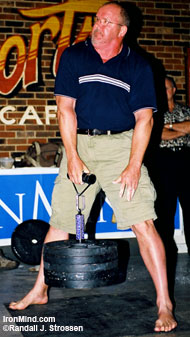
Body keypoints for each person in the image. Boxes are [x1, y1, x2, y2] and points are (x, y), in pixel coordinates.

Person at [9, 2, 177, 333]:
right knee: (60, 223)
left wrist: (133, 164)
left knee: (143, 224)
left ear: (121, 30)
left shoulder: (138, 66)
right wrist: (72, 155)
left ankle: (164, 304)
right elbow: (65, 109)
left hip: (121, 147)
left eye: (106, 21)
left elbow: (145, 119)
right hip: (81, 145)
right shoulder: (74, 56)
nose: (97, 25)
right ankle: (40, 289)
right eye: (97, 19)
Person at [154, 76, 190, 256]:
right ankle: (166, 253)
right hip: (163, 162)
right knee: (165, 210)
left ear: (174, 90)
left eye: (166, 88)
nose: (163, 91)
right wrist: (180, 130)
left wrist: (169, 127)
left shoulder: (185, 110)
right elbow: (159, 134)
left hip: (186, 160)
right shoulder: (153, 113)